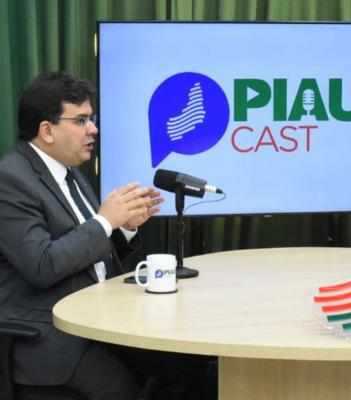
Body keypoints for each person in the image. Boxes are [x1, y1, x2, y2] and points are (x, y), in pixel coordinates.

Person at [0, 71, 215, 400]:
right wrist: (104, 221)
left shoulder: (72, 174)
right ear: (47, 130)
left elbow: (85, 253)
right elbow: (42, 265)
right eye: (81, 120)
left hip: (99, 320)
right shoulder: (11, 180)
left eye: (92, 118)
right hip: (53, 335)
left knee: (190, 362)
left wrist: (123, 228)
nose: (93, 129)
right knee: (122, 388)